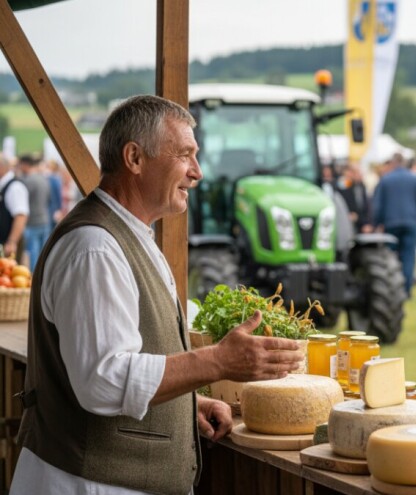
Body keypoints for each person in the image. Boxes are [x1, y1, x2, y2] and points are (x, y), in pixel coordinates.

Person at [11, 95, 304, 494]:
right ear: (134, 158)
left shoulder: (124, 234)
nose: (197, 172)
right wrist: (217, 361)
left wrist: (184, 407)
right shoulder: (95, 247)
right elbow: (102, 380)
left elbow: (120, 362)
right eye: (184, 155)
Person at [372, 153, 416, 297]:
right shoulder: (415, 179)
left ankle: (392, 289)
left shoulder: (386, 179)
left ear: (392, 163)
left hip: (391, 223)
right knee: (409, 257)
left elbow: (377, 205)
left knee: (390, 258)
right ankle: (406, 290)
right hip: (412, 222)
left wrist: (376, 224)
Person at [18, 153, 52, 270]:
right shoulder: (44, 179)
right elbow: (49, 199)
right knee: (43, 253)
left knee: (33, 253)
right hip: (44, 219)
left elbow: (21, 202)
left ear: (25, 165)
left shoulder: (28, 181)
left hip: (32, 221)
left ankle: (34, 278)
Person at [0, 153, 28, 262]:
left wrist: (12, 242)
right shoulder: (4, 184)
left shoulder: (15, 187)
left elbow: (21, 215)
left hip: (7, 244)